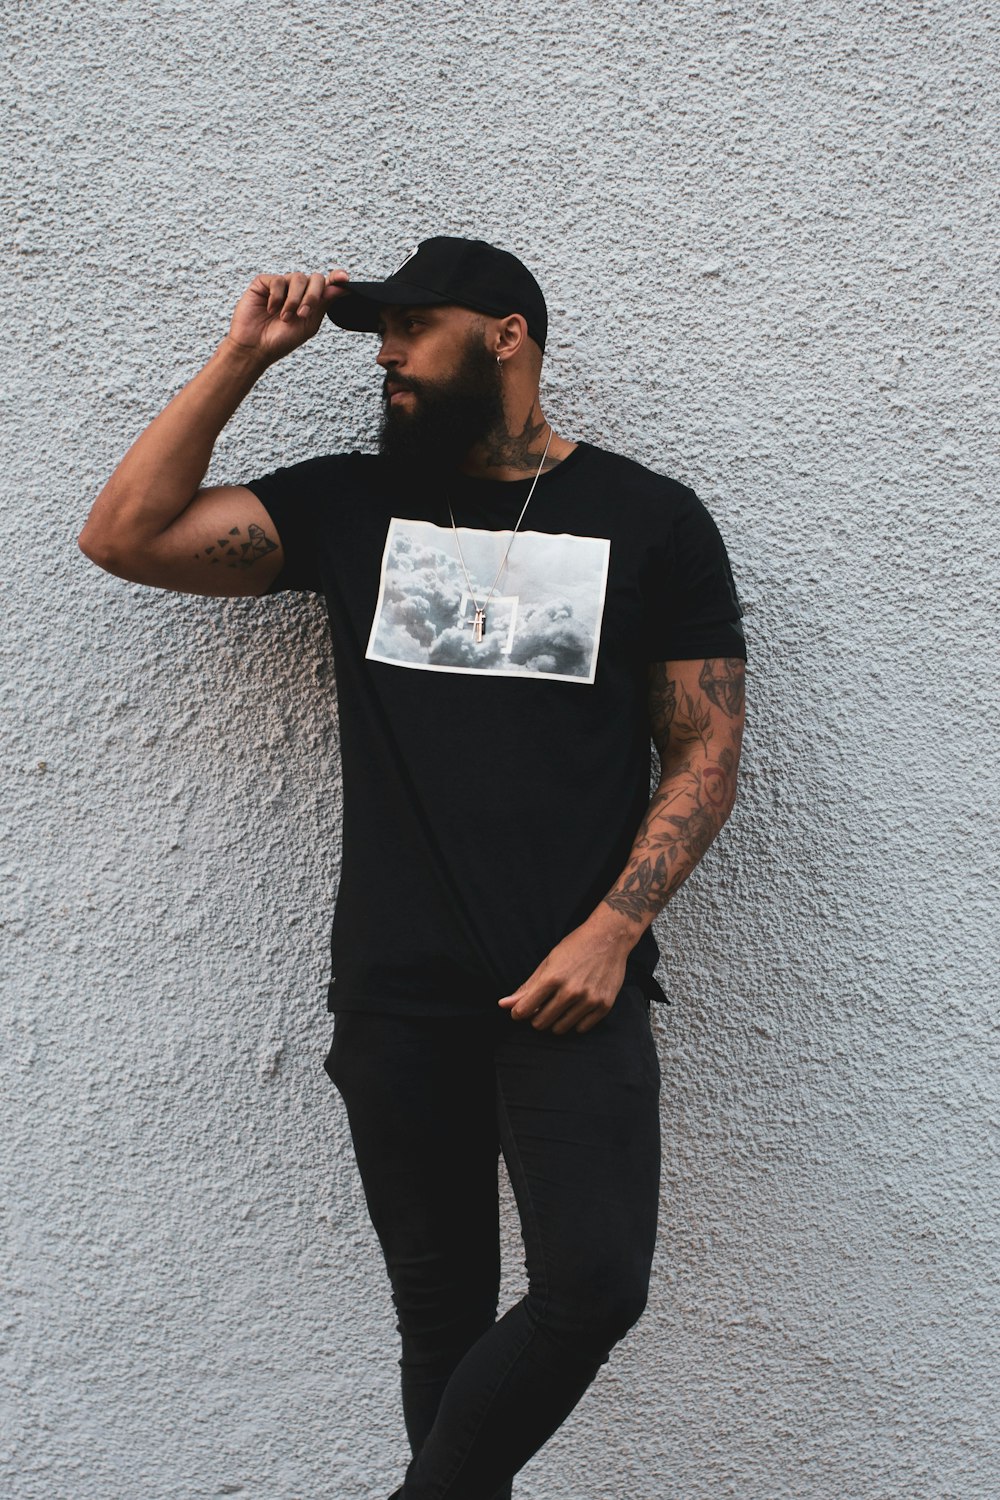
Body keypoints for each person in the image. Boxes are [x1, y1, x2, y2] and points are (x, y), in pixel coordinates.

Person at [78, 236, 748, 1500]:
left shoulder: (646, 519)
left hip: (573, 985)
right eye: (374, 331)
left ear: (506, 336)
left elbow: (704, 755)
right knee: (441, 1323)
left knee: (594, 1287)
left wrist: (611, 931)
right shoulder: (351, 507)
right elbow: (124, 536)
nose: (382, 351)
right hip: (398, 996)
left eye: (411, 327)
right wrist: (243, 358)